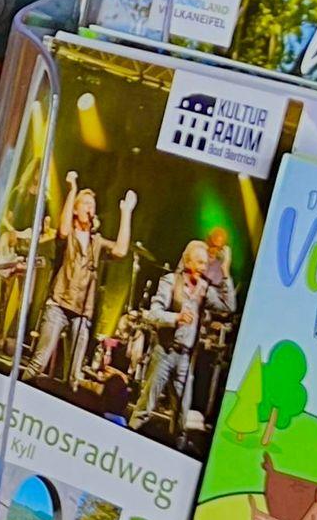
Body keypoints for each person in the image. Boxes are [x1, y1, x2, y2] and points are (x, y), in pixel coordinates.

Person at [29, 171, 136, 387]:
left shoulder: (96, 242)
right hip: (59, 305)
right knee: (38, 363)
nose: (90, 208)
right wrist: (73, 190)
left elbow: (121, 250)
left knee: (74, 377)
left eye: (92, 205)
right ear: (76, 210)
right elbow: (64, 228)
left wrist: (126, 213)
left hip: (82, 313)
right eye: (85, 204)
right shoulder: (68, 235)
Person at [138, 238, 237, 430]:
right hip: (164, 352)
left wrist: (225, 271)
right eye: (199, 262)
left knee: (181, 420)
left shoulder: (204, 289)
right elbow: (153, 314)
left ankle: (177, 443)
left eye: (205, 264)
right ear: (188, 261)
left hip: (185, 358)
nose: (203, 267)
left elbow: (229, 307)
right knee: (145, 408)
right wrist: (176, 318)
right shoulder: (171, 281)